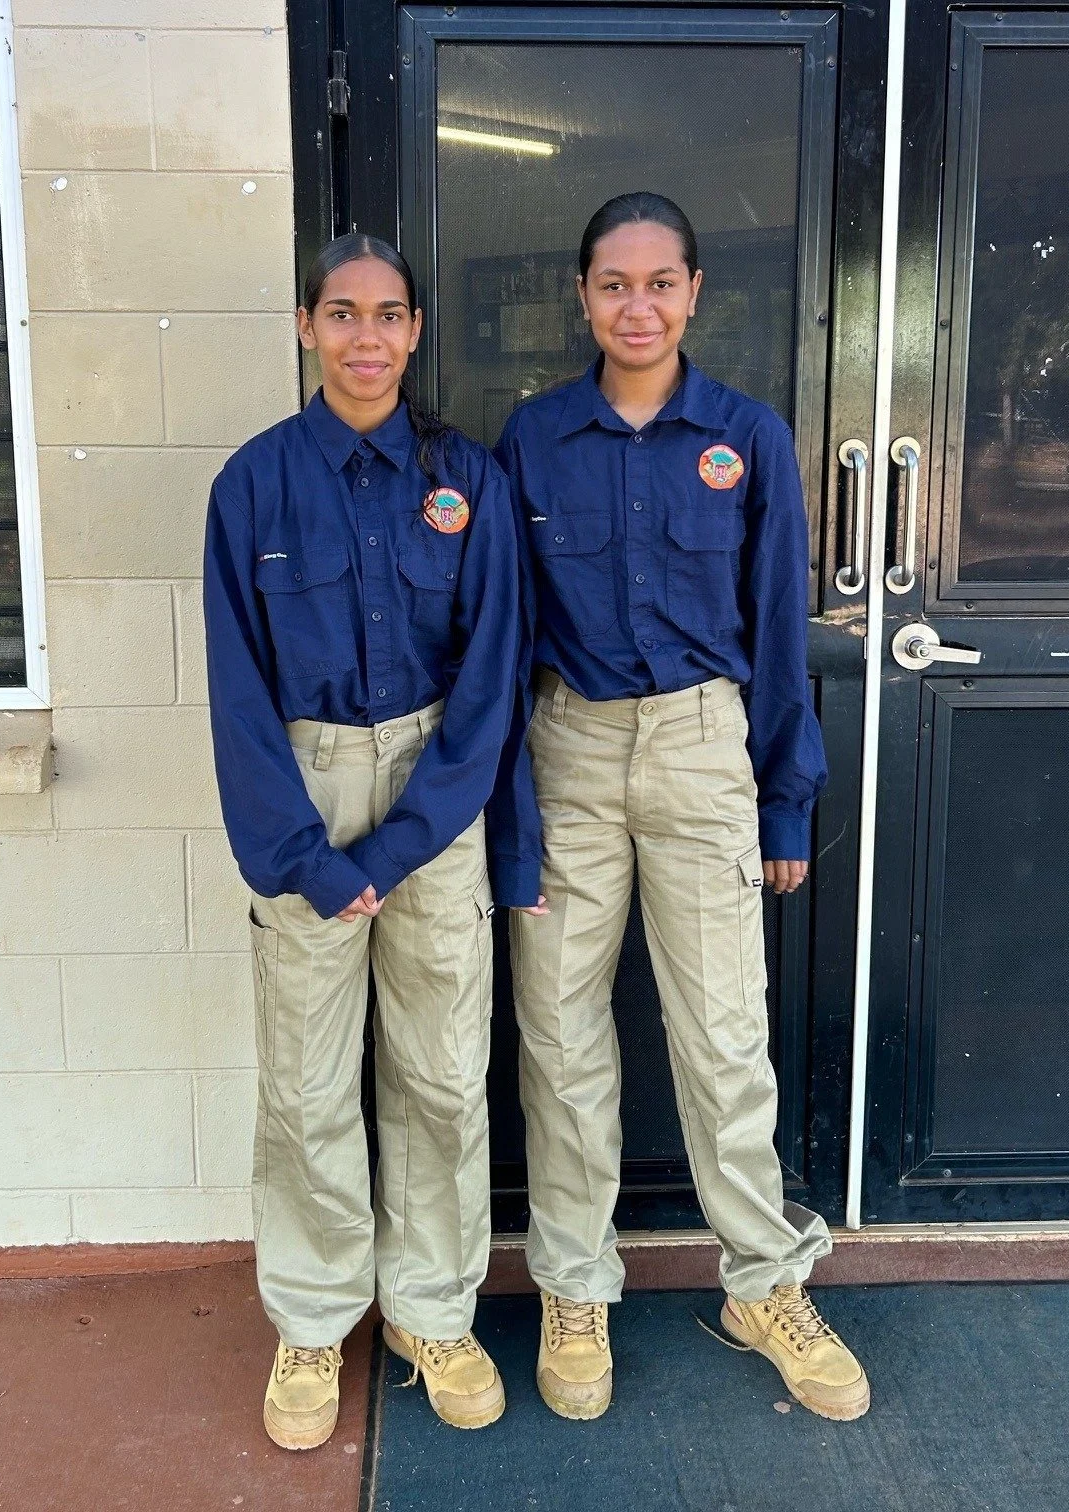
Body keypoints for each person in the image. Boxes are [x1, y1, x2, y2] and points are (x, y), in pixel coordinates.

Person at [492, 192, 870, 1424]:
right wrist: (512, 809)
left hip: (707, 750)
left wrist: (785, 804)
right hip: (569, 751)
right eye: (613, 283)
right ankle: (575, 1287)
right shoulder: (534, 437)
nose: (637, 305)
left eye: (660, 282)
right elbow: (502, 636)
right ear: (583, 296)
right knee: (559, 1040)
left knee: (722, 1040)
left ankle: (763, 1282)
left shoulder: (747, 438)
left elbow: (777, 632)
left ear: (696, 293)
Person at [204, 233, 531, 1448]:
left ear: (417, 329)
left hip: (436, 792)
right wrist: (305, 854)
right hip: (305, 787)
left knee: (444, 1074)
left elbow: (493, 677)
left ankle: (433, 1309)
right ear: (305, 327)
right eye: (341, 314)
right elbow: (236, 691)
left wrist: (401, 847)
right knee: (304, 1082)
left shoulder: (467, 479)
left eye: (389, 315)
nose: (366, 339)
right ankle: (312, 1313)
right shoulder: (253, 485)